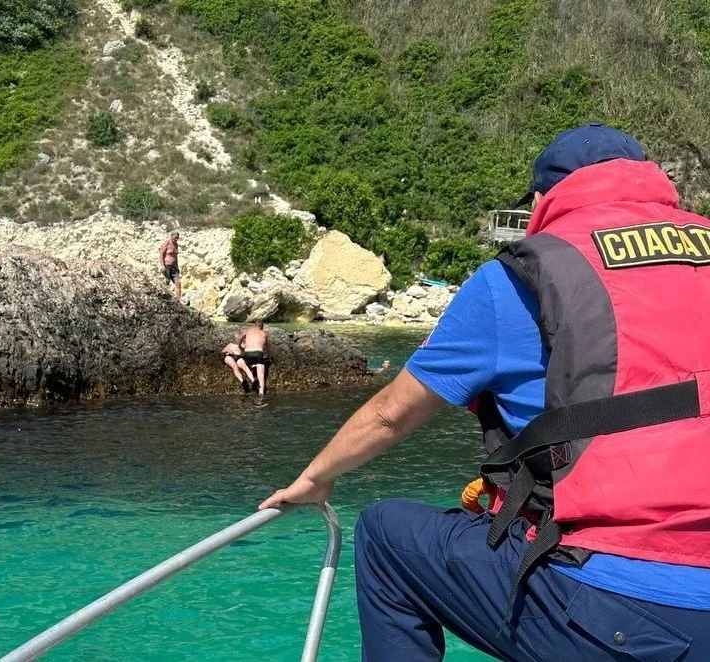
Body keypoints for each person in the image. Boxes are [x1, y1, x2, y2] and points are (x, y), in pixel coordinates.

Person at [260, 123, 710, 660]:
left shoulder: (519, 278)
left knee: (385, 535)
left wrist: (314, 478)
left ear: (544, 198)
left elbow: (390, 415)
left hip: (618, 606)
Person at [237, 321, 270, 396]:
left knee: (242, 362)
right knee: (261, 373)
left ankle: (251, 372)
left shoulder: (248, 331)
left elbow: (240, 338)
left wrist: (239, 346)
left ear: (254, 326)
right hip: (258, 354)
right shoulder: (263, 333)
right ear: (261, 327)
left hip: (247, 354)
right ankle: (261, 393)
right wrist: (270, 356)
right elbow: (268, 348)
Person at [159, 230, 181, 301]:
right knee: (167, 282)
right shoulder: (167, 243)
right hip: (167, 266)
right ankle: (165, 298)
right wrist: (162, 265)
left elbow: (175, 257)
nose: (177, 239)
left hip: (174, 268)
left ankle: (178, 299)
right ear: (171, 236)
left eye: (178, 238)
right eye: (175, 237)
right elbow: (161, 254)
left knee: (178, 283)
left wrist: (177, 267)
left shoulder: (176, 245)